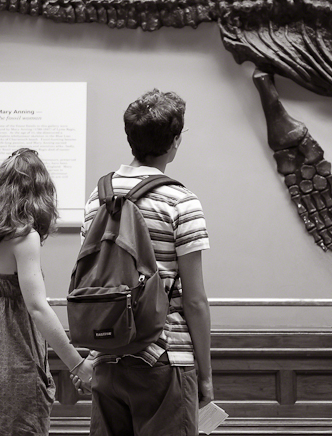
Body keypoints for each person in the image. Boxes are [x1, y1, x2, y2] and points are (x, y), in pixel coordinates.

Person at [75, 89, 213, 436]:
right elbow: (194, 300)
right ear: (175, 141)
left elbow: (97, 281)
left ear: (130, 137)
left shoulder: (97, 199)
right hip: (165, 359)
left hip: (109, 358)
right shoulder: (181, 201)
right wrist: (207, 376)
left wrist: (94, 355)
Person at [0, 148, 93, 436]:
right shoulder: (25, 237)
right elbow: (37, 308)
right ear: (40, 192)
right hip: (14, 363)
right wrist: (78, 365)